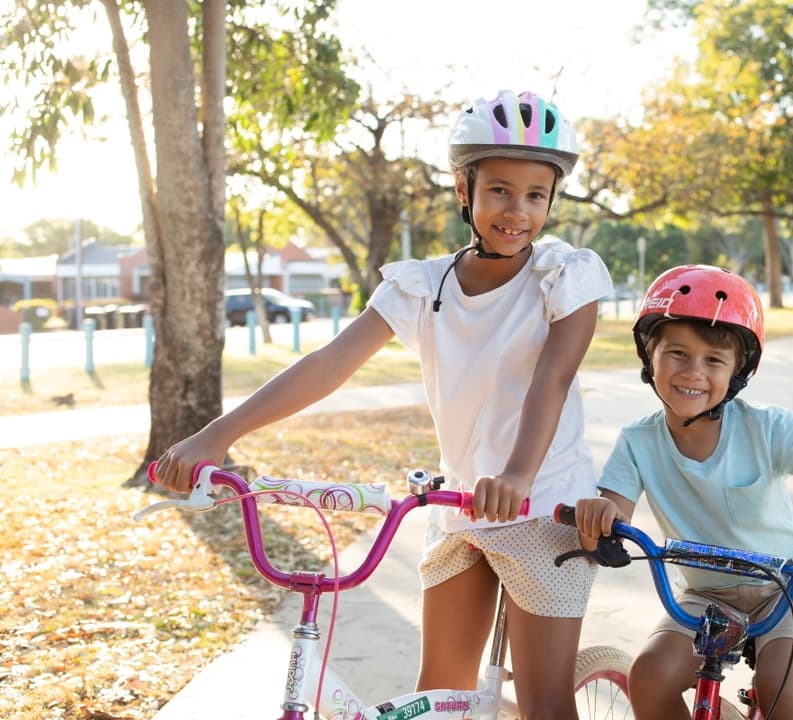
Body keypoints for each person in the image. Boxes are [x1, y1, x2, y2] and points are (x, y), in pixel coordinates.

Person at [153, 89, 614, 719]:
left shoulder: (565, 274)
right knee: (437, 700)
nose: (518, 210)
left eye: (536, 195)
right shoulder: (422, 284)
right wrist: (217, 436)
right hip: (461, 510)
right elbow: (329, 363)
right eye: (500, 190)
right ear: (464, 189)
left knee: (544, 707)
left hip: (543, 509)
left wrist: (516, 476)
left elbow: (553, 378)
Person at [571, 265, 793, 720]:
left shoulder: (768, 428)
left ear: (738, 371)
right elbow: (615, 518)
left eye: (714, 360)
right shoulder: (637, 442)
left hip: (790, 587)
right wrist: (600, 518)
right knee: (649, 676)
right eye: (677, 353)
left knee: (779, 687)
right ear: (648, 355)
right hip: (705, 596)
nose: (693, 372)